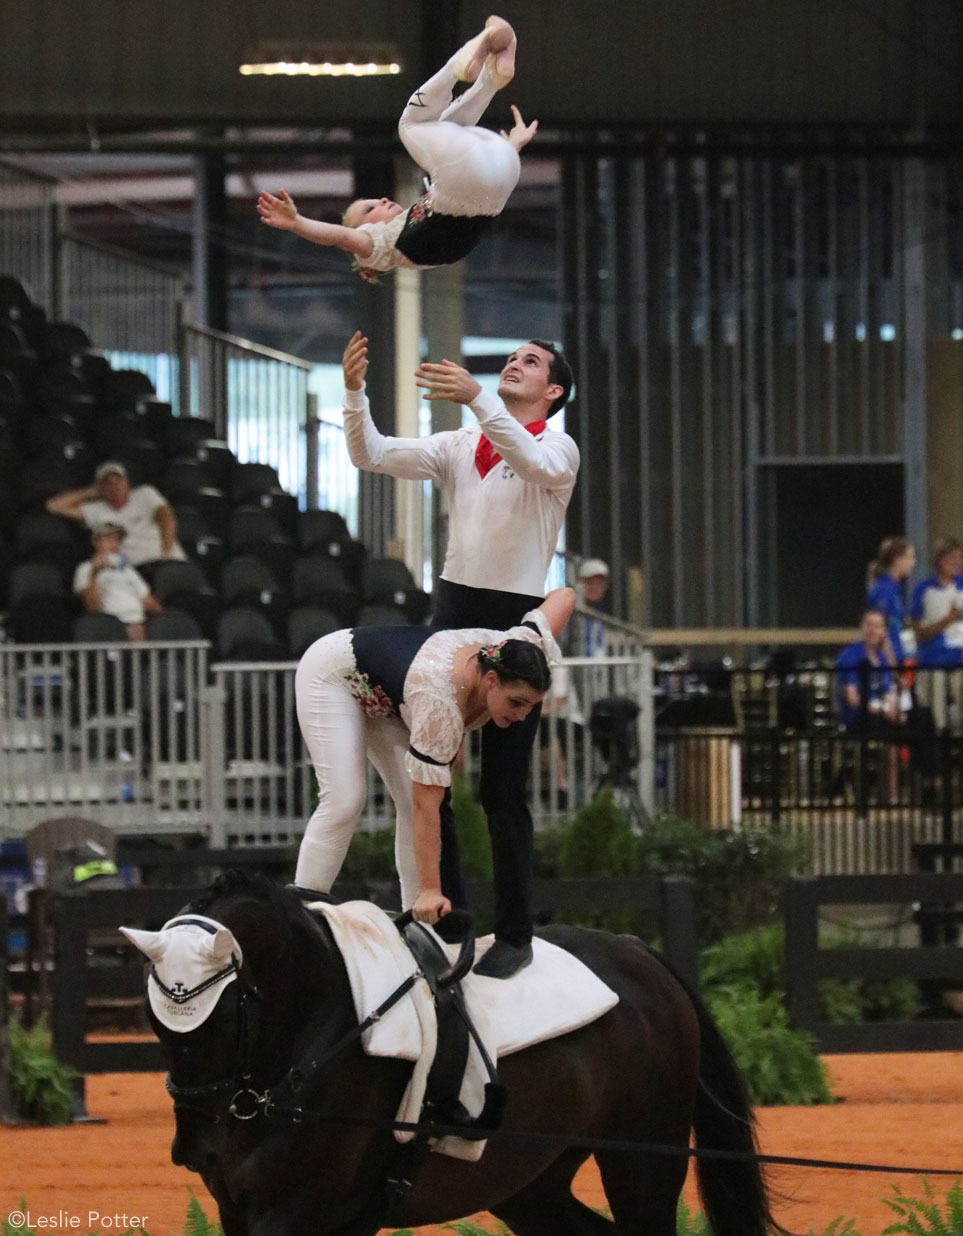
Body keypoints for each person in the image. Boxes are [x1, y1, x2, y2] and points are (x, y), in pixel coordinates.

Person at [341, 330, 578, 978]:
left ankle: (517, 935)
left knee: (502, 790)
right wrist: (354, 392)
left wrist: (477, 397)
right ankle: (448, 922)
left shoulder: (557, 445)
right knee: (434, 780)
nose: (515, 362)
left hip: (514, 621)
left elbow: (529, 460)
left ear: (553, 391)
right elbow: (371, 454)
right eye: (513, 357)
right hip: (452, 612)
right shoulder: (456, 444)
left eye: (531, 361)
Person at [294, 587, 575, 977]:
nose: (523, 717)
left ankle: (419, 935)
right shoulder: (440, 705)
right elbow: (430, 806)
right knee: (345, 800)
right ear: (491, 681)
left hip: (388, 694)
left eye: (531, 706)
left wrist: (539, 625)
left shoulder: (521, 645)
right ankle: (298, 918)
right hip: (334, 674)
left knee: (409, 805)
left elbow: (565, 594)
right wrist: (431, 890)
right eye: (516, 703)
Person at [257, 16, 535, 279]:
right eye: (369, 209)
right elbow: (340, 237)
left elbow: (478, 178)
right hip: (473, 185)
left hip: (497, 175)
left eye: (373, 200)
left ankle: (491, 77)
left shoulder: (414, 220)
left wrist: (511, 146)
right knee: (410, 126)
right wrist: (297, 222)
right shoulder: (378, 246)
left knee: (441, 130)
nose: (381, 201)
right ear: (364, 231)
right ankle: (459, 68)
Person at [47, 461, 185, 574]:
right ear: (100, 488)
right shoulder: (97, 509)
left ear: (127, 483)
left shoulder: (145, 494)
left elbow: (166, 516)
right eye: (108, 483)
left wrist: (166, 551)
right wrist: (90, 492)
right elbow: (53, 506)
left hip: (170, 560)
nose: (115, 486)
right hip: (138, 570)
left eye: (119, 480)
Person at [73, 521, 163, 640]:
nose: (114, 544)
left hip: (140, 624)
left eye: (117, 540)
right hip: (111, 627)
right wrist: (94, 573)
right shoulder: (85, 569)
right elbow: (92, 607)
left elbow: (151, 603)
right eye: (109, 539)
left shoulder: (127, 569)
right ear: (96, 542)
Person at [910, 537, 963, 668]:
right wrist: (949, 619)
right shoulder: (923, 589)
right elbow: (919, 633)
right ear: (940, 560)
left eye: (960, 558)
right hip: (932, 660)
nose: (958, 562)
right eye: (952, 558)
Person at [834, 610, 898, 733]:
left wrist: (893, 710)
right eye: (869, 625)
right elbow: (851, 697)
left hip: (880, 713)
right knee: (884, 727)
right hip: (857, 715)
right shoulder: (850, 655)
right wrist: (878, 710)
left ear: (884, 631)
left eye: (878, 626)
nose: (872, 630)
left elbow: (888, 692)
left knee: (905, 722)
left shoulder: (883, 658)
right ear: (862, 627)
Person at [865, 536, 916, 664]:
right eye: (910, 558)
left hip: (900, 657)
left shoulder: (896, 588)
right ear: (897, 560)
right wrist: (892, 666)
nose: (913, 563)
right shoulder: (884, 589)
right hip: (888, 662)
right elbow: (880, 630)